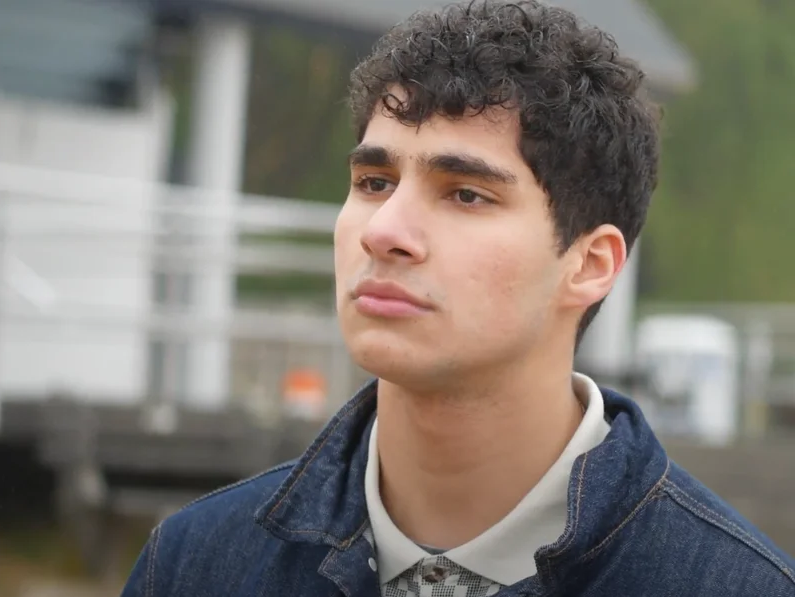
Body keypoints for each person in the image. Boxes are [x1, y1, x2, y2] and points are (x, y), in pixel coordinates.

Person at [121, 2, 795, 596]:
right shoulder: (191, 566)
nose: (384, 232)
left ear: (590, 265)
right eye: (374, 182)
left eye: (466, 194)